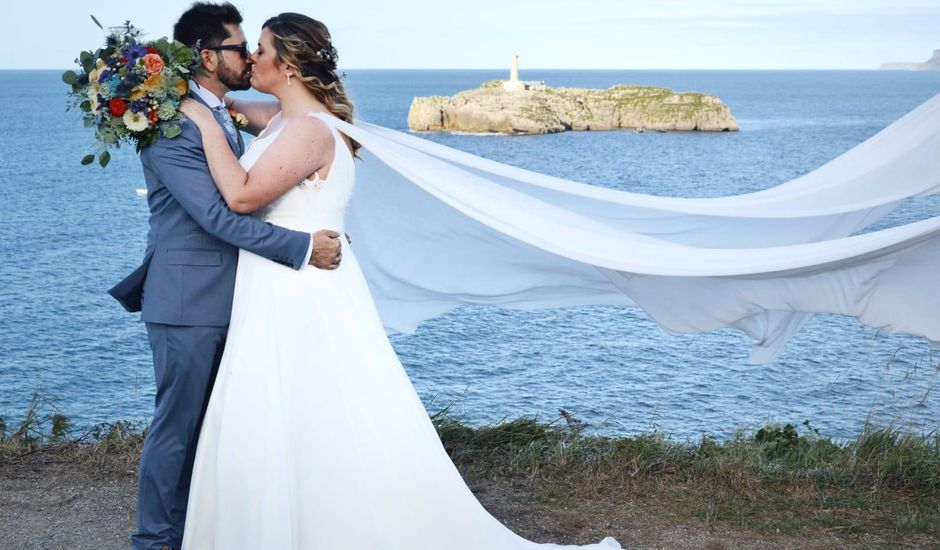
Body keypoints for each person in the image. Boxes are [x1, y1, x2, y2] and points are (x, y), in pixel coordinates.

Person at [176, 12, 621, 549]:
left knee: (313, 408)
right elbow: (225, 106)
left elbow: (243, 197)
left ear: (288, 65)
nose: (252, 59)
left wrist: (198, 125)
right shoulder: (279, 119)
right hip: (276, 286)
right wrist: (160, 88)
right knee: (283, 412)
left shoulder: (312, 131)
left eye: (262, 50)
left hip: (301, 293)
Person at [107, 4, 345, 549]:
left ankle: (198, 531)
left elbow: (287, 122)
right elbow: (218, 215)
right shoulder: (172, 127)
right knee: (177, 430)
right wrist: (302, 246)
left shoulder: (215, 113)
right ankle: (153, 541)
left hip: (232, 300)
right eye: (241, 47)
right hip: (187, 302)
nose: (249, 56)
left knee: (212, 432)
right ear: (209, 56)